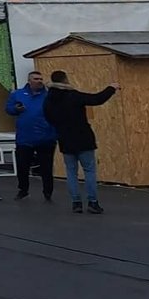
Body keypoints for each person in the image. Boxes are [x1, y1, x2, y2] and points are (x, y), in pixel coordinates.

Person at [43, 69, 118, 214]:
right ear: (65, 79)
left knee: (71, 172)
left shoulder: (49, 100)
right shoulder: (73, 95)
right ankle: (92, 202)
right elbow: (96, 99)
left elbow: (48, 118)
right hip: (83, 138)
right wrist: (111, 88)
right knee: (89, 171)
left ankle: (76, 203)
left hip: (65, 139)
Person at [5, 70, 58, 201]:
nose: (39, 81)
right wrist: (15, 109)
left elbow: (57, 112)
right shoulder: (18, 94)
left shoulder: (49, 95)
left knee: (46, 168)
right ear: (29, 81)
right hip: (25, 137)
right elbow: (8, 108)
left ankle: (48, 192)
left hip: (45, 137)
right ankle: (23, 190)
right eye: (36, 79)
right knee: (22, 166)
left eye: (40, 79)